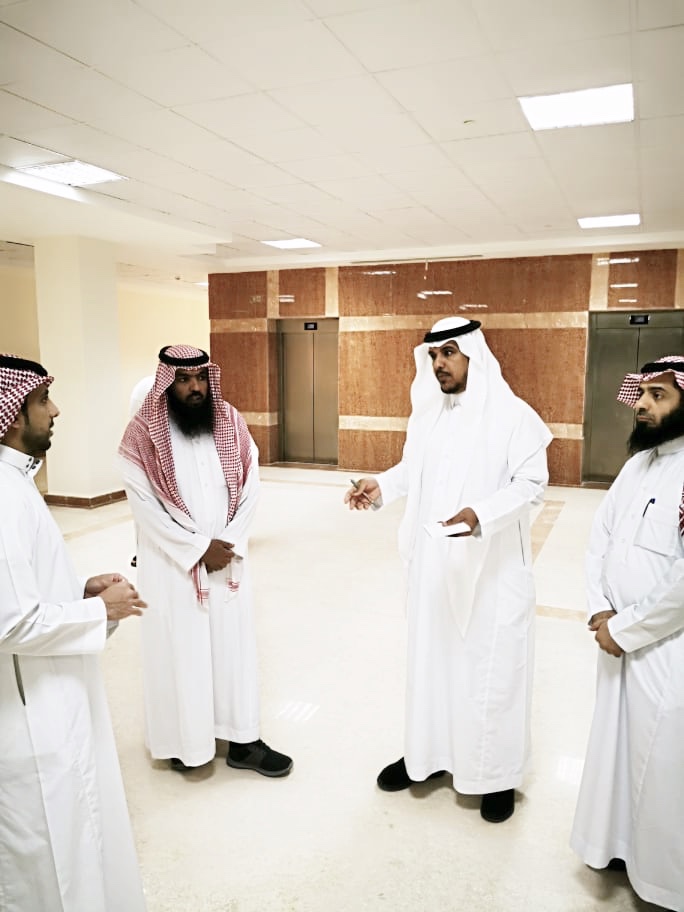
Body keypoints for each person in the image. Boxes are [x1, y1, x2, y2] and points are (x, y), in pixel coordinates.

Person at [345, 317, 551, 822]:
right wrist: (382, 485)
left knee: (490, 670)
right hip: (434, 566)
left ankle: (494, 776)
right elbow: (415, 470)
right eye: (434, 355)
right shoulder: (428, 415)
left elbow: (532, 485)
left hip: (491, 570)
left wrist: (481, 514)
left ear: (474, 356)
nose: (439, 363)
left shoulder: (513, 416)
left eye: (450, 353)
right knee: (432, 663)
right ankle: (427, 756)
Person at [0, 354, 147, 912]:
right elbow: (11, 621)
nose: (55, 410)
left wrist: (79, 590)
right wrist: (98, 612)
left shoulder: (16, 484)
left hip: (49, 697)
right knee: (49, 861)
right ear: (11, 414)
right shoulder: (3, 494)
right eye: (42, 400)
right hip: (29, 720)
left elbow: (20, 587)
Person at [119, 344, 292, 776]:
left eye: (200, 378)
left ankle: (243, 741)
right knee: (182, 651)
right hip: (173, 566)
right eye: (183, 379)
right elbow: (145, 507)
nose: (194, 388)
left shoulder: (229, 420)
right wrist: (197, 549)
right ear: (167, 382)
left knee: (233, 650)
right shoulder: (142, 435)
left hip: (226, 559)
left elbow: (252, 482)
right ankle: (186, 742)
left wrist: (227, 542)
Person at [571, 356, 684, 911]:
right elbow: (600, 537)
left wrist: (629, 629)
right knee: (616, 750)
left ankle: (661, 880)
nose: (642, 404)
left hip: (666, 652)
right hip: (615, 638)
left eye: (659, 396)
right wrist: (600, 610)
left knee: (659, 763)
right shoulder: (638, 465)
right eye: (642, 394)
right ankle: (615, 847)